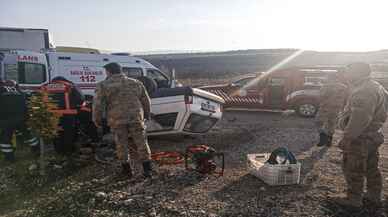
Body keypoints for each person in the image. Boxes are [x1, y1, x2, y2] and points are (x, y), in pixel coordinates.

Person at [336, 62, 387, 208]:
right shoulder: (375, 86)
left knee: (353, 168)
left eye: (348, 71)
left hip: (360, 137)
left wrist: (348, 137)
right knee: (371, 167)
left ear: (357, 73)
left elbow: (360, 118)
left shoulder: (364, 91)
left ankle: (354, 200)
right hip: (372, 135)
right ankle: (373, 196)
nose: (345, 74)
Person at [93, 62, 153, 178]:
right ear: (121, 71)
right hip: (135, 117)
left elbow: (97, 105)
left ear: (109, 72)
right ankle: (147, 170)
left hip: (117, 119)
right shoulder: (135, 83)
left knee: (121, 144)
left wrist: (97, 119)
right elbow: (146, 100)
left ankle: (127, 171)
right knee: (141, 142)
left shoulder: (103, 85)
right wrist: (147, 114)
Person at [0, 79, 39, 161]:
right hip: (21, 118)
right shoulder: (19, 91)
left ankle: (9, 158)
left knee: (5, 139)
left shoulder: (1, 91)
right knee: (28, 135)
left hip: (6, 119)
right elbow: (26, 103)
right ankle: (36, 150)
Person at [316, 72, 348, 147]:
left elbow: (320, 97)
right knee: (332, 124)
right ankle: (329, 139)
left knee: (319, 122)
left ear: (329, 78)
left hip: (325, 108)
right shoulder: (344, 87)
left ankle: (323, 137)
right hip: (337, 109)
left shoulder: (325, 86)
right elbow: (347, 99)